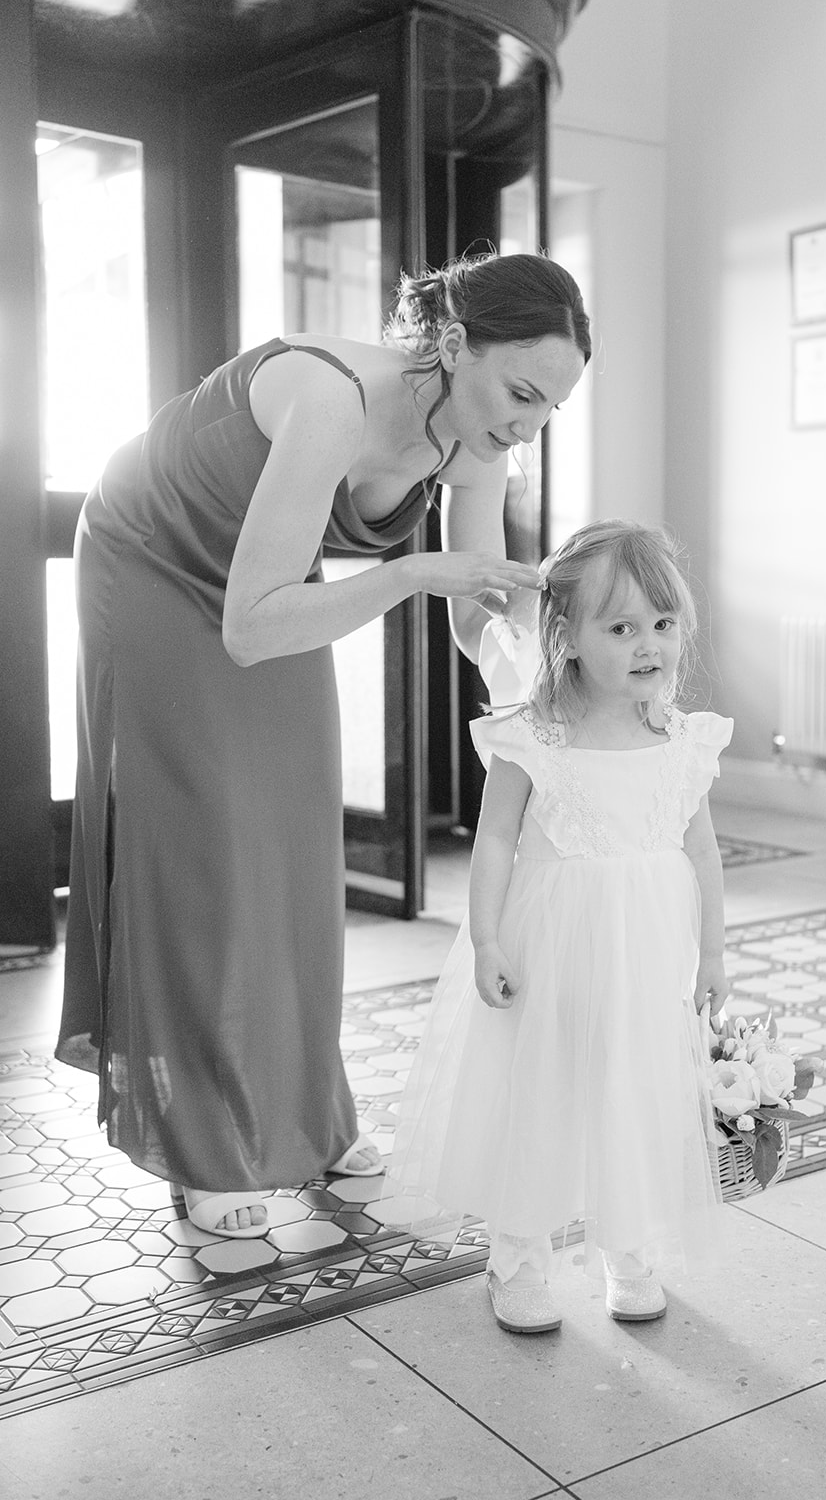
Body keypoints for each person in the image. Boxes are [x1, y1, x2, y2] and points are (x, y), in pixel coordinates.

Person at [55, 251, 591, 1241]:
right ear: (455, 344)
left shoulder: (478, 440)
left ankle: (310, 1112)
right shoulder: (331, 399)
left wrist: (538, 679)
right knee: (204, 848)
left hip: (265, 581)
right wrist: (411, 572)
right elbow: (252, 628)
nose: (527, 428)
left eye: (548, 410)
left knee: (300, 836)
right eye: (521, 394)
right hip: (151, 559)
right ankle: (204, 1145)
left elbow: (474, 610)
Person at [381, 519, 733, 1333]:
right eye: (621, 628)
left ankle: (628, 1247)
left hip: (644, 958)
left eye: (662, 623)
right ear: (567, 637)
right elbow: (494, 840)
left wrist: (712, 954)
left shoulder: (682, 742)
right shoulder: (532, 738)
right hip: (548, 948)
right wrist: (487, 939)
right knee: (537, 1096)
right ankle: (517, 1258)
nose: (648, 645)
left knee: (630, 1093)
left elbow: (702, 851)